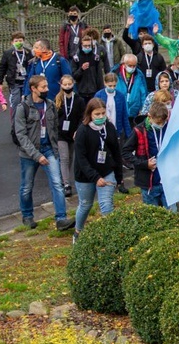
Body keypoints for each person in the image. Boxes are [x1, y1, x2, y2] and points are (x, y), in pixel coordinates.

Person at [14, 75, 75, 231]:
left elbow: (54, 128)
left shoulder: (50, 105)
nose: (47, 90)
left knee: (57, 184)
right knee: (27, 186)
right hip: (29, 153)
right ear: (34, 89)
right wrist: (37, 155)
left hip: (48, 149)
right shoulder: (23, 107)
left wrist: (54, 150)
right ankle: (27, 216)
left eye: (47, 86)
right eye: (43, 87)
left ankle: (61, 218)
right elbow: (21, 135)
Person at [73, 97, 122, 243]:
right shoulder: (82, 131)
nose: (101, 117)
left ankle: (112, 239)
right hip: (85, 176)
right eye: (97, 114)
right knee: (85, 204)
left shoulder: (110, 128)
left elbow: (116, 152)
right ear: (90, 114)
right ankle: (78, 231)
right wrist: (95, 177)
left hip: (106, 171)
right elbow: (81, 159)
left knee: (106, 206)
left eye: (103, 113)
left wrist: (119, 177)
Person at [122, 102, 177, 212]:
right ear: (149, 116)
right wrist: (144, 164)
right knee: (153, 215)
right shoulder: (139, 131)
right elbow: (125, 152)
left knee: (172, 214)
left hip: (167, 181)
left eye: (163, 122)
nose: (161, 125)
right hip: (149, 183)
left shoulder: (169, 127)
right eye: (158, 122)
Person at [95, 73, 132, 194]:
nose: (112, 87)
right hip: (102, 130)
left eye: (114, 85)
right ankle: (102, 180)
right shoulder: (99, 95)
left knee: (118, 158)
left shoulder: (120, 96)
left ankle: (120, 182)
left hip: (117, 130)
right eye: (110, 85)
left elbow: (124, 116)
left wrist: (128, 133)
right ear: (105, 84)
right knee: (103, 156)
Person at [55, 75, 85, 198]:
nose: (67, 87)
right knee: (64, 157)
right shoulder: (58, 99)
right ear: (61, 85)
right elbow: (54, 118)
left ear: (73, 84)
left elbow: (82, 117)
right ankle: (67, 184)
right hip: (60, 134)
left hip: (73, 133)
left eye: (69, 84)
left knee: (70, 157)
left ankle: (64, 177)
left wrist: (78, 130)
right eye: (65, 85)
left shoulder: (79, 100)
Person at [0, 31, 33, 119]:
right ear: (12, 42)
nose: (18, 43)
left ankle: (26, 123)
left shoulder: (28, 53)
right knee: (16, 103)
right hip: (14, 82)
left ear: (24, 41)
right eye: (16, 41)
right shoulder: (8, 53)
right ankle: (15, 127)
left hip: (26, 82)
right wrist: (0, 82)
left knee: (27, 103)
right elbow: (2, 67)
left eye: (20, 40)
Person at [71, 33, 109, 102]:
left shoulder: (96, 58)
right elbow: (74, 76)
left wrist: (101, 91)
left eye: (89, 45)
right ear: (81, 46)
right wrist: (81, 69)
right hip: (81, 92)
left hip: (94, 92)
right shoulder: (76, 59)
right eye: (85, 46)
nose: (87, 47)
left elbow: (99, 77)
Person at [112, 53, 148, 124]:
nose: (132, 68)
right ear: (124, 64)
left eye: (134, 66)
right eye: (130, 65)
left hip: (134, 111)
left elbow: (143, 93)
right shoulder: (115, 73)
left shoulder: (139, 74)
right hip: (119, 110)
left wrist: (143, 109)